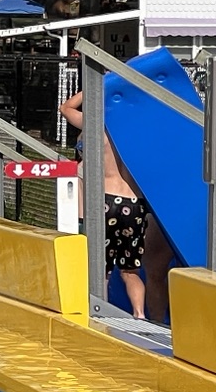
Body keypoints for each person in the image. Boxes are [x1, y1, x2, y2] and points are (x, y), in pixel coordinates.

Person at [59, 88, 149, 319]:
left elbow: (65, 108)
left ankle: (100, 316)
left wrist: (97, 85)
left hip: (106, 201)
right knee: (130, 270)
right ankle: (139, 314)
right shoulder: (139, 130)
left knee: (102, 269)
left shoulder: (97, 126)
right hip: (134, 203)